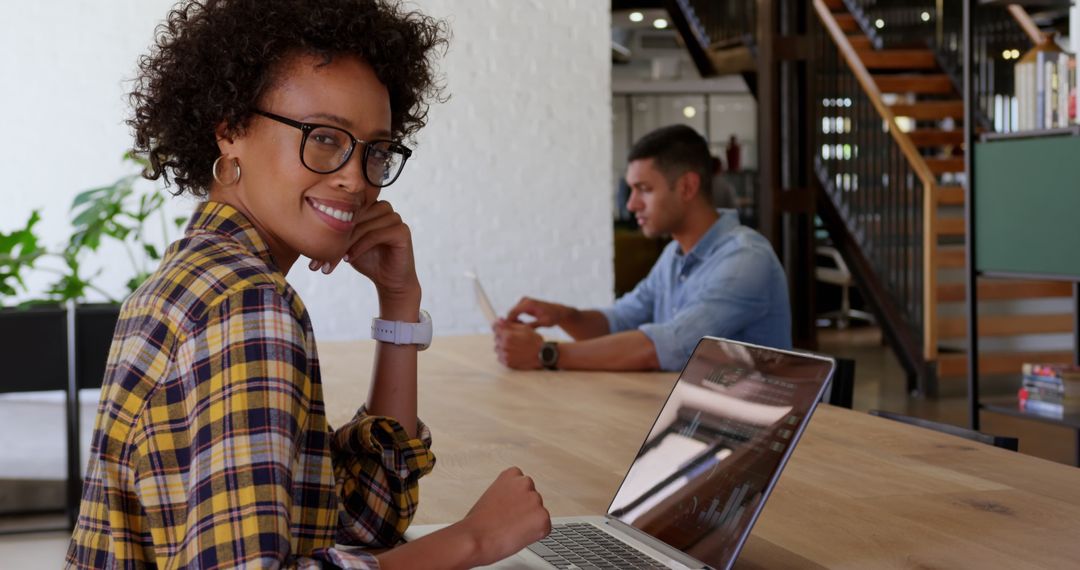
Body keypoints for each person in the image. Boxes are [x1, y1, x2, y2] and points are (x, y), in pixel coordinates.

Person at [66, 1, 549, 568]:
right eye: (324, 137)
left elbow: (363, 523)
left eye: (377, 150)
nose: (354, 176)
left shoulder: (196, 276)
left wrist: (398, 304)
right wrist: (474, 540)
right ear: (230, 131)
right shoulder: (244, 304)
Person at [494, 125, 791, 372]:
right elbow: (617, 323)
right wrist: (563, 315)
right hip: (693, 415)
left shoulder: (745, 259)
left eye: (645, 189)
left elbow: (666, 348)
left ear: (687, 187)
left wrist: (547, 354)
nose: (631, 204)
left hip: (753, 431)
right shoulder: (674, 257)